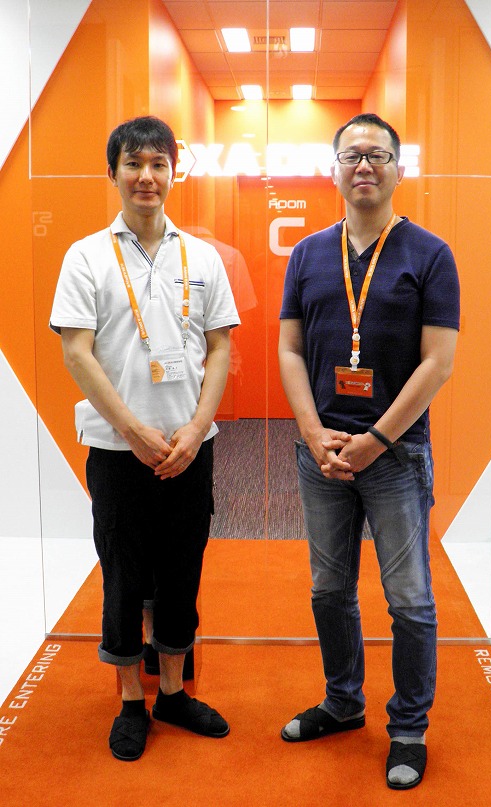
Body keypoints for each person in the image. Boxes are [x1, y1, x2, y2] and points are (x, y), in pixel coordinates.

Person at [278, 112, 459, 790]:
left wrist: (376, 440)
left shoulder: (430, 254)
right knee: (330, 590)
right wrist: (311, 433)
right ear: (333, 170)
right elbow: (289, 349)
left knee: (409, 599)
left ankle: (408, 727)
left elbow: (438, 362)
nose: (364, 165)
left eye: (377, 155)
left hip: (397, 456)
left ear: (397, 170)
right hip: (322, 453)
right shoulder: (307, 254)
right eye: (351, 154)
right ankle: (342, 701)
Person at [50, 115, 240, 761]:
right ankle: (131, 699)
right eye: (133, 163)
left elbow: (220, 348)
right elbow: (77, 352)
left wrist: (196, 428)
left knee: (182, 575)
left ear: (173, 172)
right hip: (117, 450)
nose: (146, 176)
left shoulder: (202, 256)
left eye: (158, 163)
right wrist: (132, 430)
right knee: (125, 579)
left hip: (190, 448)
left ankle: (174, 693)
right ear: (113, 173)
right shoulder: (85, 256)